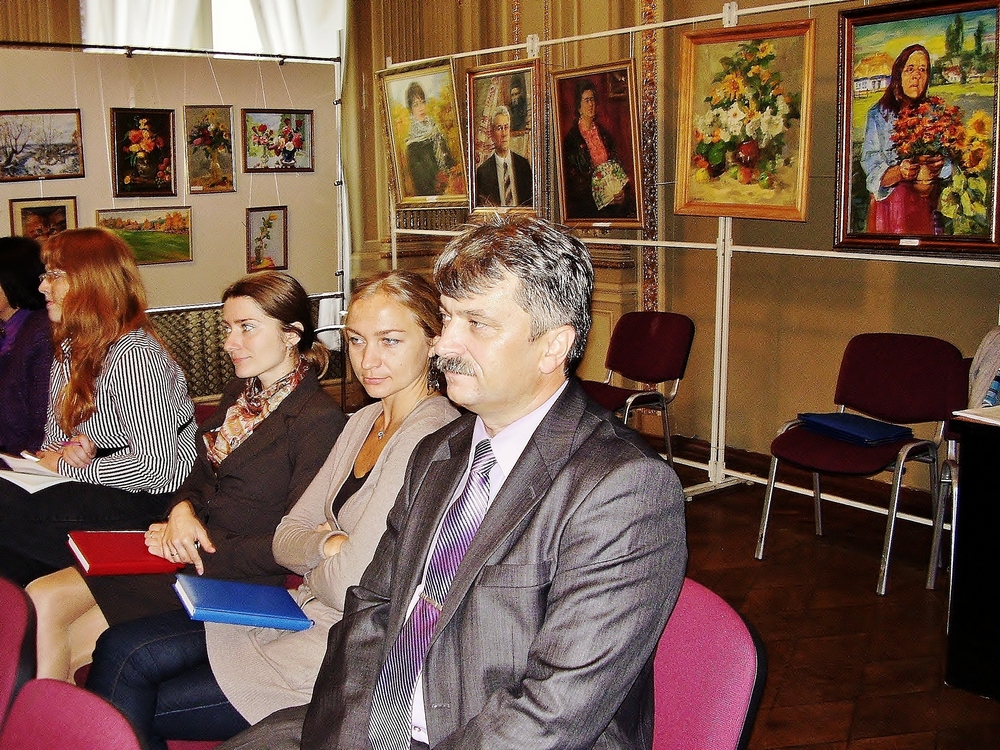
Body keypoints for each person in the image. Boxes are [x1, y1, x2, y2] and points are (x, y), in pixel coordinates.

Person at [218, 215, 688, 750]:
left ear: (553, 346)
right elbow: (371, 611)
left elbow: (552, 712)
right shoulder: (441, 451)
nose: (445, 345)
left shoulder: (622, 489)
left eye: (477, 324)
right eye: (447, 318)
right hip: (386, 722)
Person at [86, 271, 460, 750]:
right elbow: (288, 534)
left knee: (129, 691)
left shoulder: (428, 433)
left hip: (340, 645)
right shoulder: (366, 418)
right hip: (298, 612)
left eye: (390, 340)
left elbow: (348, 584)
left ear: (433, 341)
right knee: (122, 660)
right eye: (356, 340)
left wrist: (315, 551)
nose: (368, 360)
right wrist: (324, 543)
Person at [25, 270, 346, 683]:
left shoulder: (317, 420)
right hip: (186, 552)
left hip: (233, 574)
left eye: (247, 328)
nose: (230, 343)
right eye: (228, 328)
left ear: (291, 334)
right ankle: (41, 716)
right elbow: (197, 473)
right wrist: (180, 512)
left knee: (72, 637)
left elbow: (293, 542)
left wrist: (194, 543)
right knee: (42, 596)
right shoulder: (241, 393)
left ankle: (55, 716)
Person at [0, 228, 198, 586]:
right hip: (100, 484)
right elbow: (53, 439)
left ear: (91, 282)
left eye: (55, 275)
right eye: (45, 275)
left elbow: (159, 469)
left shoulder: (134, 354)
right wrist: (68, 449)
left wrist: (69, 466)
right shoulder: (70, 346)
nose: (42, 286)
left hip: (150, 502)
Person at [860, 44, 952, 235]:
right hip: (890, 208)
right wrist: (899, 172)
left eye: (923, 70)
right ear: (898, 75)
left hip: (926, 204)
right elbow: (871, 166)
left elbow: (950, 164)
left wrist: (939, 165)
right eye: (910, 69)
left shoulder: (935, 114)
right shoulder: (879, 114)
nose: (917, 75)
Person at [0, 236, 51, 455]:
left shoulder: (42, 332)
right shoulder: (5, 326)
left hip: (25, 459)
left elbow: (42, 419)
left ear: (13, 280)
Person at [562, 78, 633, 220]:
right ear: (579, 106)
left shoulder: (604, 134)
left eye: (593, 99)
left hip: (614, 205)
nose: (591, 104)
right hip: (588, 208)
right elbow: (573, 183)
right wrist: (601, 198)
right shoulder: (572, 139)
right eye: (586, 100)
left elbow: (617, 167)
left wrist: (620, 192)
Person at [474, 106, 533, 208]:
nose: (504, 134)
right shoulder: (483, 173)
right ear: (492, 134)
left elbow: (531, 204)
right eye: (499, 128)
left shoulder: (523, 165)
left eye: (506, 127)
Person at [404, 81, 455, 196]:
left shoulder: (436, 132)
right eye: (416, 105)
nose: (421, 108)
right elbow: (422, 187)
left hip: (452, 191)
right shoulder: (413, 147)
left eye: (422, 102)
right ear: (411, 109)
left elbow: (449, 161)